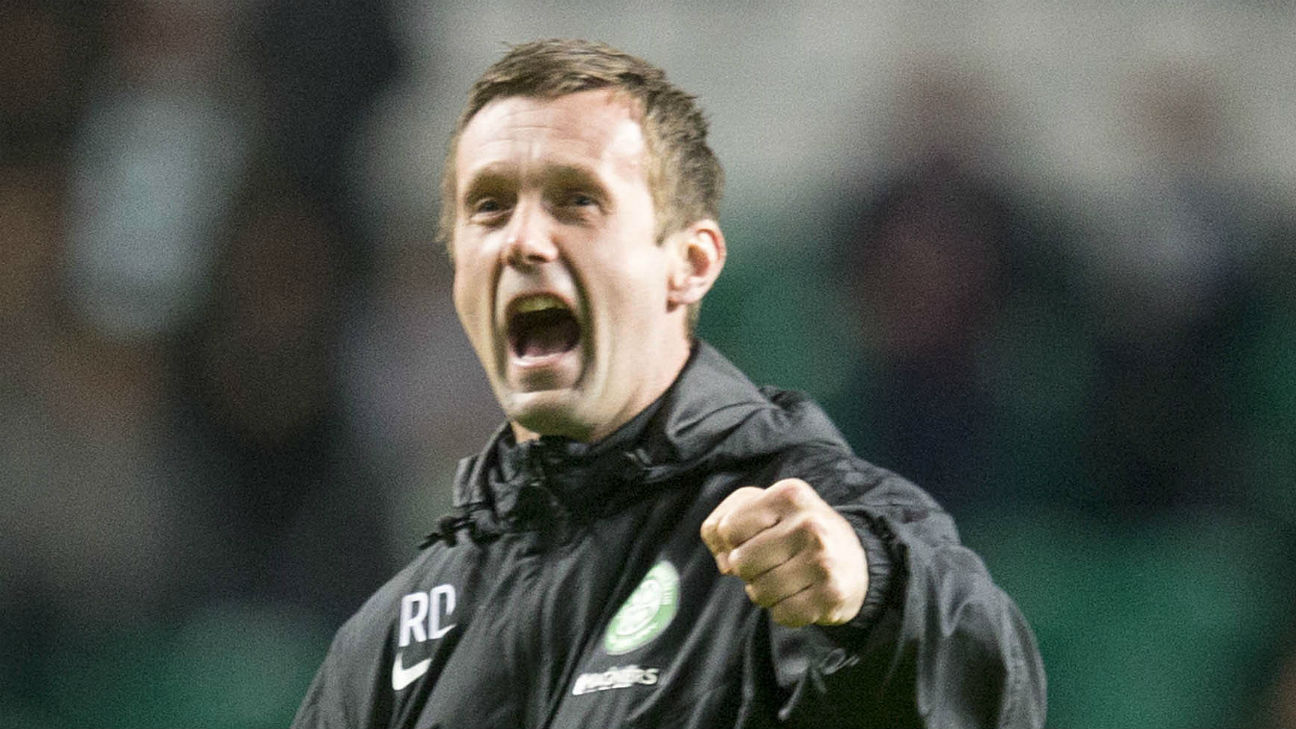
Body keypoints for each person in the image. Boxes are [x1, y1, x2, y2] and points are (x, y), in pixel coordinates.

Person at [292, 39, 1046, 729]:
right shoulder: (392, 634)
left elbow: (989, 690)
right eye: (489, 207)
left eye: (576, 200)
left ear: (691, 263)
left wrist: (874, 600)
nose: (522, 241)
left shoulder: (811, 538)